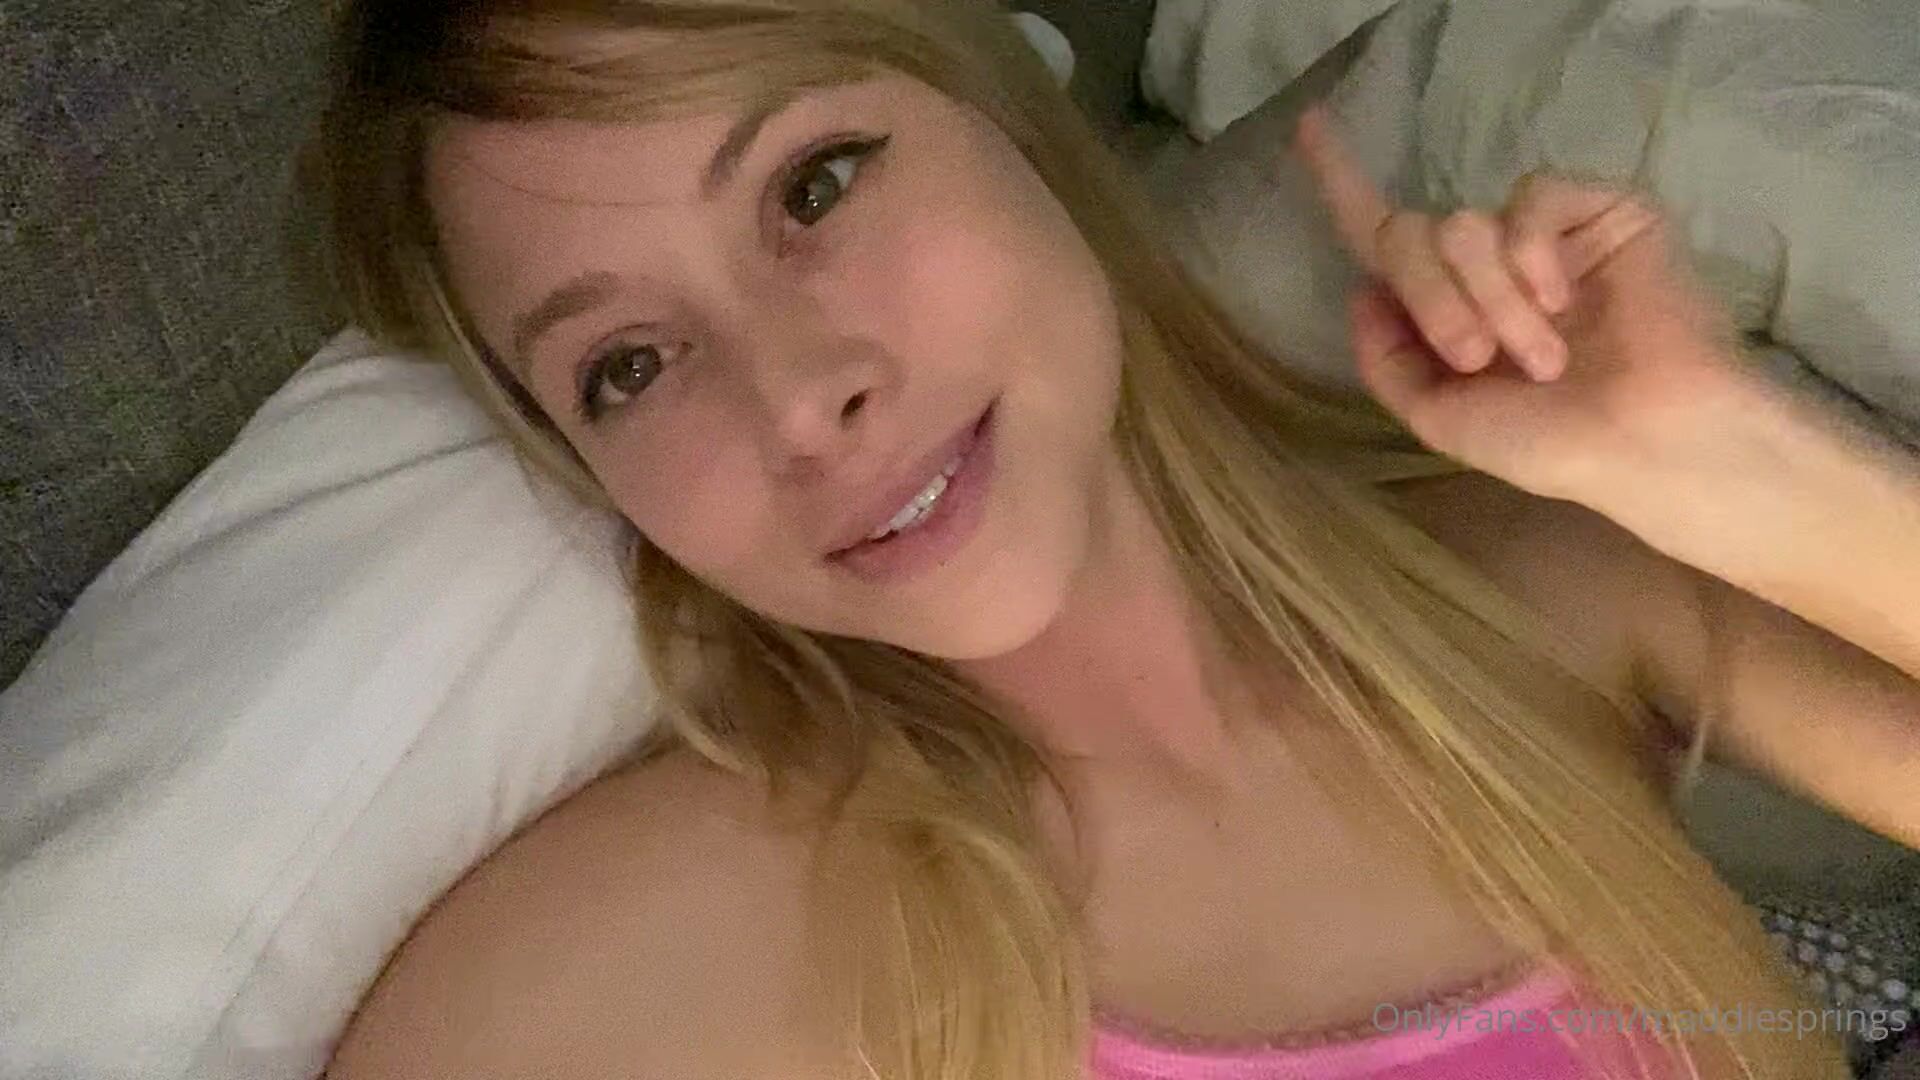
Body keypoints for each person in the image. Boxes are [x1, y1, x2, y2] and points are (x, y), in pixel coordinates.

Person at [315, 1, 1920, 1077]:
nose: (801, 402)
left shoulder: (1537, 587)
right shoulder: (654, 948)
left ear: (1009, 126)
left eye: (815, 186)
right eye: (628, 367)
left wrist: (1740, 466)